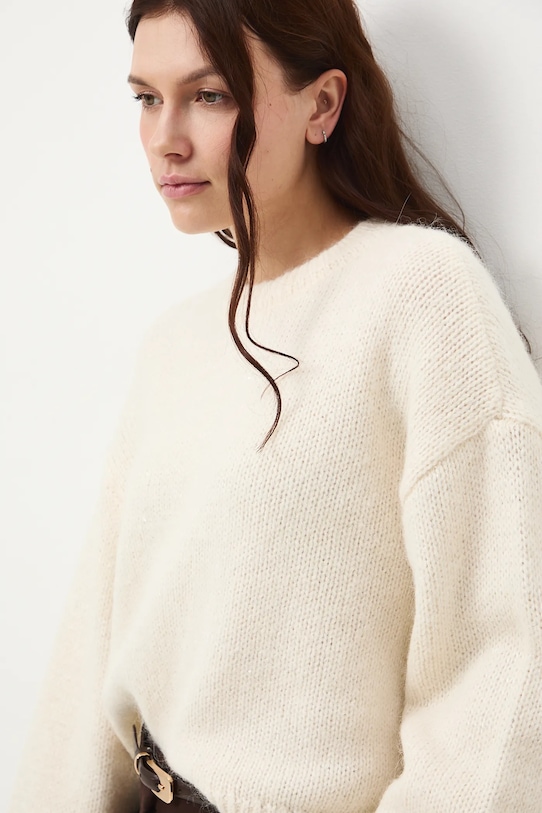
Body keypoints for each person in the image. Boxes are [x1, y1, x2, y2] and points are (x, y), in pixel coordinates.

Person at [8, 1, 542, 811]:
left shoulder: (423, 295)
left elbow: (504, 665)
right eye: (147, 98)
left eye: (209, 95)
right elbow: (95, 646)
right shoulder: (175, 343)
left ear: (322, 104)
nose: (165, 138)